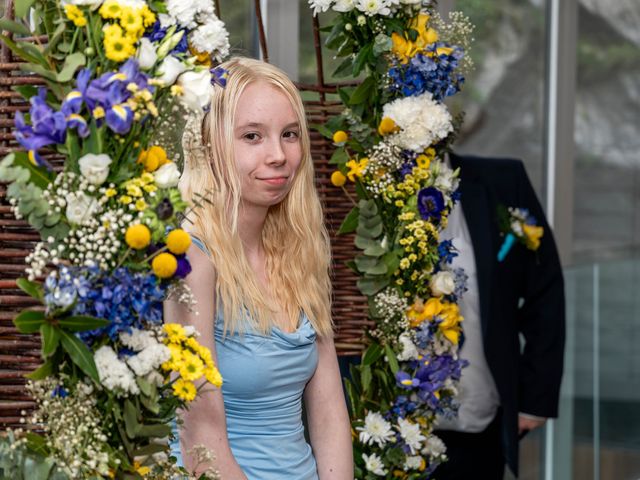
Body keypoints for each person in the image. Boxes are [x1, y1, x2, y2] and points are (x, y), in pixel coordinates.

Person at [165, 57, 353, 479]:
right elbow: (200, 441)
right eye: (253, 136)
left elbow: (328, 414)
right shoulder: (191, 258)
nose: (279, 155)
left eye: (289, 135)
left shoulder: (299, 249)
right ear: (209, 144)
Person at [432, 152, 566, 479]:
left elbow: (544, 291)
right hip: (392, 425)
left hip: (480, 421)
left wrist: (536, 397)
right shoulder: (367, 191)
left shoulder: (503, 182)